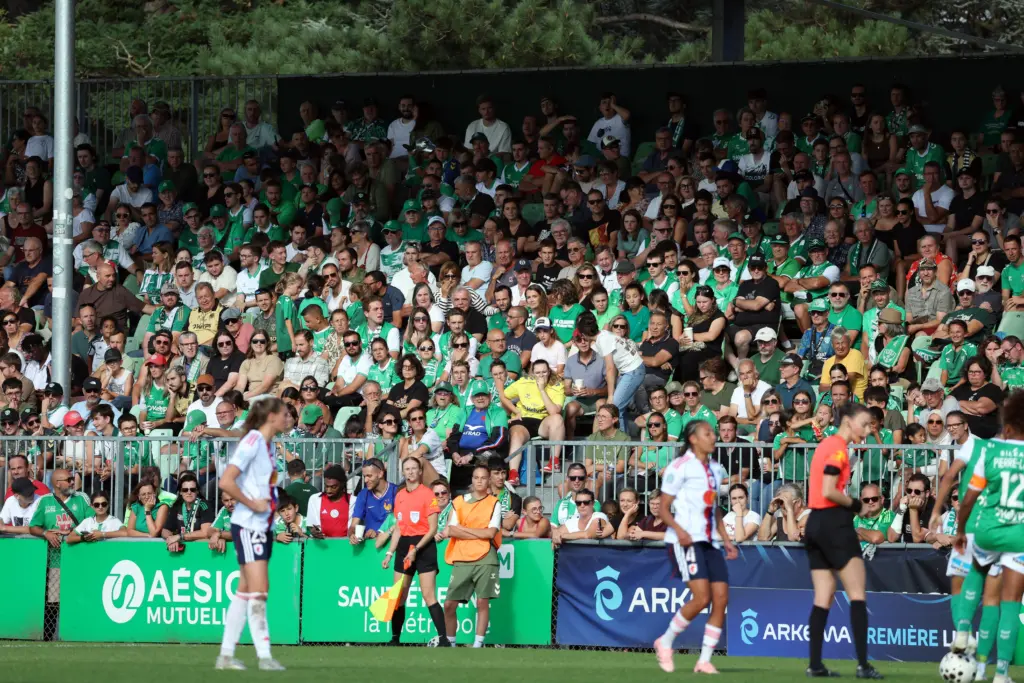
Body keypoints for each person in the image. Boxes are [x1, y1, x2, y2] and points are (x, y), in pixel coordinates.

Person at [802, 402, 882, 679]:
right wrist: (858, 506)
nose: (868, 431)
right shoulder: (838, 447)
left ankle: (815, 664)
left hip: (814, 524)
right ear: (848, 422)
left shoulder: (825, 445)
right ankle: (863, 665)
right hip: (834, 523)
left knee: (823, 596)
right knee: (857, 594)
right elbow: (829, 490)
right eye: (866, 424)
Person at [654, 420, 738, 675]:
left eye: (713, 433)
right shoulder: (679, 468)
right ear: (693, 438)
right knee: (702, 598)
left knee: (721, 599)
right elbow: (664, 508)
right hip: (687, 540)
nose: (714, 437)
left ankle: (704, 660)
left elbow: (714, 510)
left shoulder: (715, 469)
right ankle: (665, 641)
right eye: (708, 433)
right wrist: (680, 531)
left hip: (710, 541)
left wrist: (726, 539)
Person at [951, 391, 1024, 683]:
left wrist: (959, 530)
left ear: (1006, 426)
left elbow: (968, 499)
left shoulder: (989, 451)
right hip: (1018, 534)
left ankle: (963, 630)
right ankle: (1001, 673)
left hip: (988, 530)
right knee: (1011, 601)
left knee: (977, 573)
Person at [215, 397, 289, 671]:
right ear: (271, 416)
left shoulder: (266, 444)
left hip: (262, 525)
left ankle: (225, 655)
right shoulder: (253, 441)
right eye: (284, 413)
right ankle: (264, 656)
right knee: (260, 590)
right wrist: (253, 503)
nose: (288, 418)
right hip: (249, 524)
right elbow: (226, 481)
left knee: (246, 591)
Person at [384, 457, 449, 646]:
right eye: (407, 469)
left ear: (420, 472)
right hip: (404, 545)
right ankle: (395, 639)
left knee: (428, 594)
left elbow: (433, 529)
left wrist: (416, 549)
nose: (411, 472)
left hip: (424, 545)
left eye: (414, 468)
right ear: (403, 472)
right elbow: (399, 527)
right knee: (399, 594)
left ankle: (444, 639)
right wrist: (390, 553)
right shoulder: (400, 495)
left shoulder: (428, 494)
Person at [440, 463, 502, 648]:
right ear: (472, 480)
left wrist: (464, 530)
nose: (479, 481)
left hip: (485, 556)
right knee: (449, 604)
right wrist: (477, 532)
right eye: (476, 478)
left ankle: (478, 644)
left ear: (489, 480)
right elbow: (451, 530)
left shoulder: (494, 503)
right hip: (462, 556)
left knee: (482, 602)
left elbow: (491, 534)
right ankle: (450, 643)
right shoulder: (459, 501)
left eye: (483, 478)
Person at [348, 457, 397, 543]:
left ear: (381, 474)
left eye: (369, 476)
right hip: (370, 544)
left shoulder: (396, 492)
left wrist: (378, 533)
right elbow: (353, 525)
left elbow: (401, 522)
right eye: (364, 476)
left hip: (392, 542)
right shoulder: (363, 494)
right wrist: (352, 534)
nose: (366, 480)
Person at [306, 464, 350, 538]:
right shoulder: (315, 499)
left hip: (346, 546)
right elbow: (311, 526)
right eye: (326, 486)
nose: (329, 491)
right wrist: (313, 531)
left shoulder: (353, 501)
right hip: (322, 546)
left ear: (342, 484)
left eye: (333, 487)